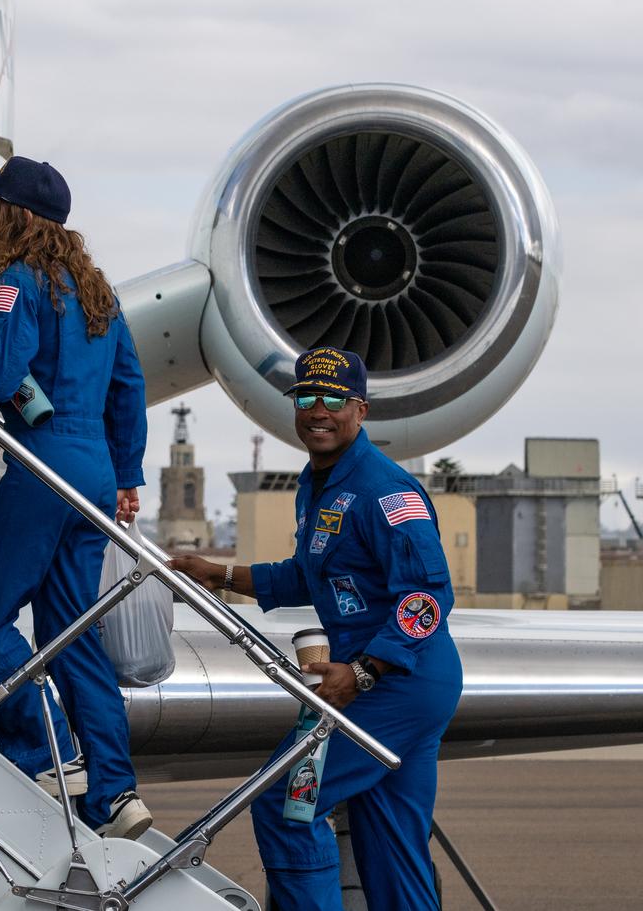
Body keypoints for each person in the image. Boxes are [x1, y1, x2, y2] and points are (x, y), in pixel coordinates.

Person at [171, 347, 461, 911]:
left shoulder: (387, 492)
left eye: (333, 399)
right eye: (306, 397)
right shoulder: (318, 483)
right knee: (390, 842)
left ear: (360, 411)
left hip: (397, 682)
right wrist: (221, 573)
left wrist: (362, 672)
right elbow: (312, 575)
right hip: (390, 682)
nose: (317, 410)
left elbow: (426, 597)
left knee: (286, 803)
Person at [0, 155, 152, 840]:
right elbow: (128, 386)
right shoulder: (99, 292)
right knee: (71, 635)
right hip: (91, 473)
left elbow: (0, 375)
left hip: (44, 466)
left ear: (18, 215)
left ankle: (48, 751)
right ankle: (115, 793)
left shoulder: (17, 283)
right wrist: (127, 476)